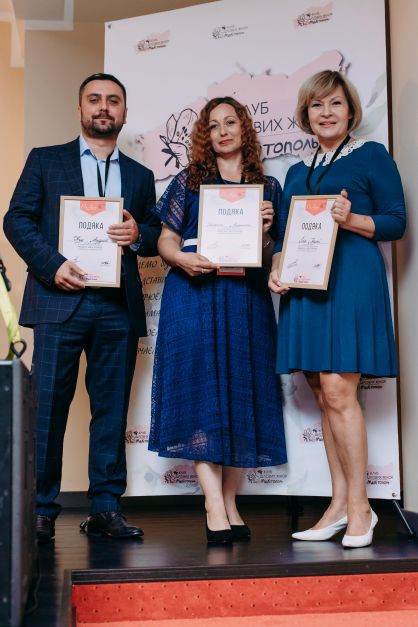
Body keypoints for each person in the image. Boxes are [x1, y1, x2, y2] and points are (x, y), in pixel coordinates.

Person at [4, 73, 161, 542]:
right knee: (48, 409)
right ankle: (40, 510)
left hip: (117, 306)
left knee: (111, 411)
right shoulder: (45, 160)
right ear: (80, 109)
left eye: (113, 100)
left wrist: (139, 234)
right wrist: (52, 265)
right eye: (94, 99)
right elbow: (16, 219)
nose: (103, 107)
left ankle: (106, 509)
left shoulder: (140, 176)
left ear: (124, 113)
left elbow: (154, 231)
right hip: (59, 301)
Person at [269, 70, 406, 548]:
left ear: (350, 111)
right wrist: (276, 267)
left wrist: (354, 219)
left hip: (350, 281)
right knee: (321, 390)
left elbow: (396, 222)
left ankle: (362, 508)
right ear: (306, 114)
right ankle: (339, 504)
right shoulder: (294, 172)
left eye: (335, 104)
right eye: (317, 105)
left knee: (338, 390)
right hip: (306, 287)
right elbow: (284, 234)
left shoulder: (372, 155)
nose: (326, 113)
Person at [148, 96, 287, 544]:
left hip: (245, 299)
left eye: (230, 122)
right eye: (213, 125)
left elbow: (270, 255)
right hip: (194, 295)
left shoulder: (267, 188)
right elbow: (165, 240)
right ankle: (212, 503)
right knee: (201, 396)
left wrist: (264, 232)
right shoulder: (189, 181)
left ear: (244, 128)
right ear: (205, 136)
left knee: (241, 395)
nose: (223, 131)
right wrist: (181, 260)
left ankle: (230, 501)